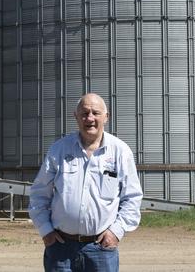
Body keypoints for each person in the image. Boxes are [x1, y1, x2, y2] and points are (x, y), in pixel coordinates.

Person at [29, 93, 143, 272]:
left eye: (95, 113)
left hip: (101, 250)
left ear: (106, 117)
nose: (89, 118)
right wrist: (46, 231)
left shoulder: (120, 152)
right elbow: (39, 194)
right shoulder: (59, 150)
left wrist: (116, 232)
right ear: (76, 117)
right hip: (60, 248)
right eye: (84, 113)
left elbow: (132, 198)